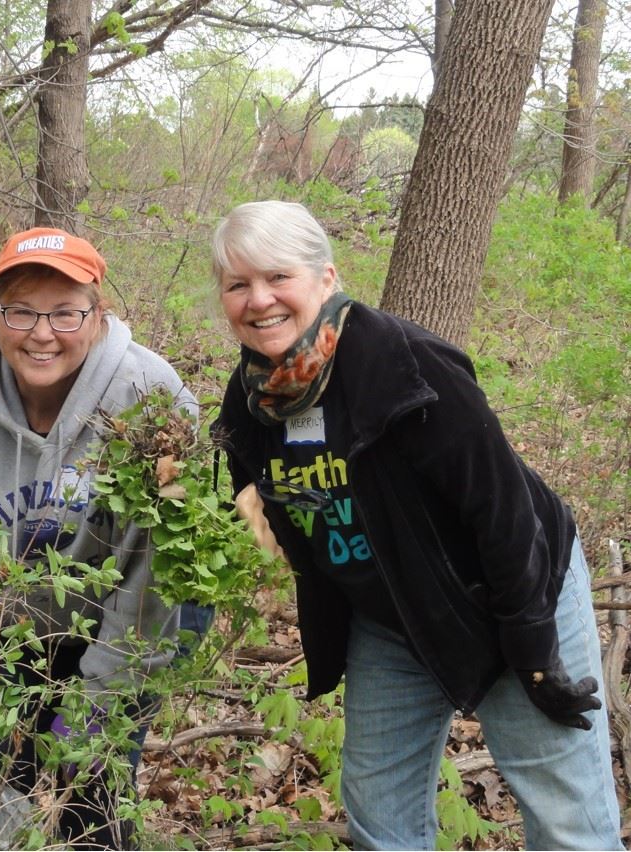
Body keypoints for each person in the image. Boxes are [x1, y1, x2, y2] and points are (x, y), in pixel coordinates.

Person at [211, 200, 623, 850]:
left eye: (276, 277)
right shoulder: (254, 392)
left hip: (507, 593)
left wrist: (532, 655)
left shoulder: (403, 365)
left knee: (564, 817)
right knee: (378, 811)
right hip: (390, 614)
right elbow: (245, 460)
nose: (258, 299)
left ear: (325, 279)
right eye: (237, 284)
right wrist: (239, 493)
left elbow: (503, 511)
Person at [0, 227, 197, 849]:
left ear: (97, 312)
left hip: (129, 615)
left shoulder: (152, 402)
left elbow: (151, 584)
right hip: (8, 616)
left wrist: (96, 707)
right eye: (20, 310)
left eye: (64, 311)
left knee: (93, 793)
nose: (42, 332)